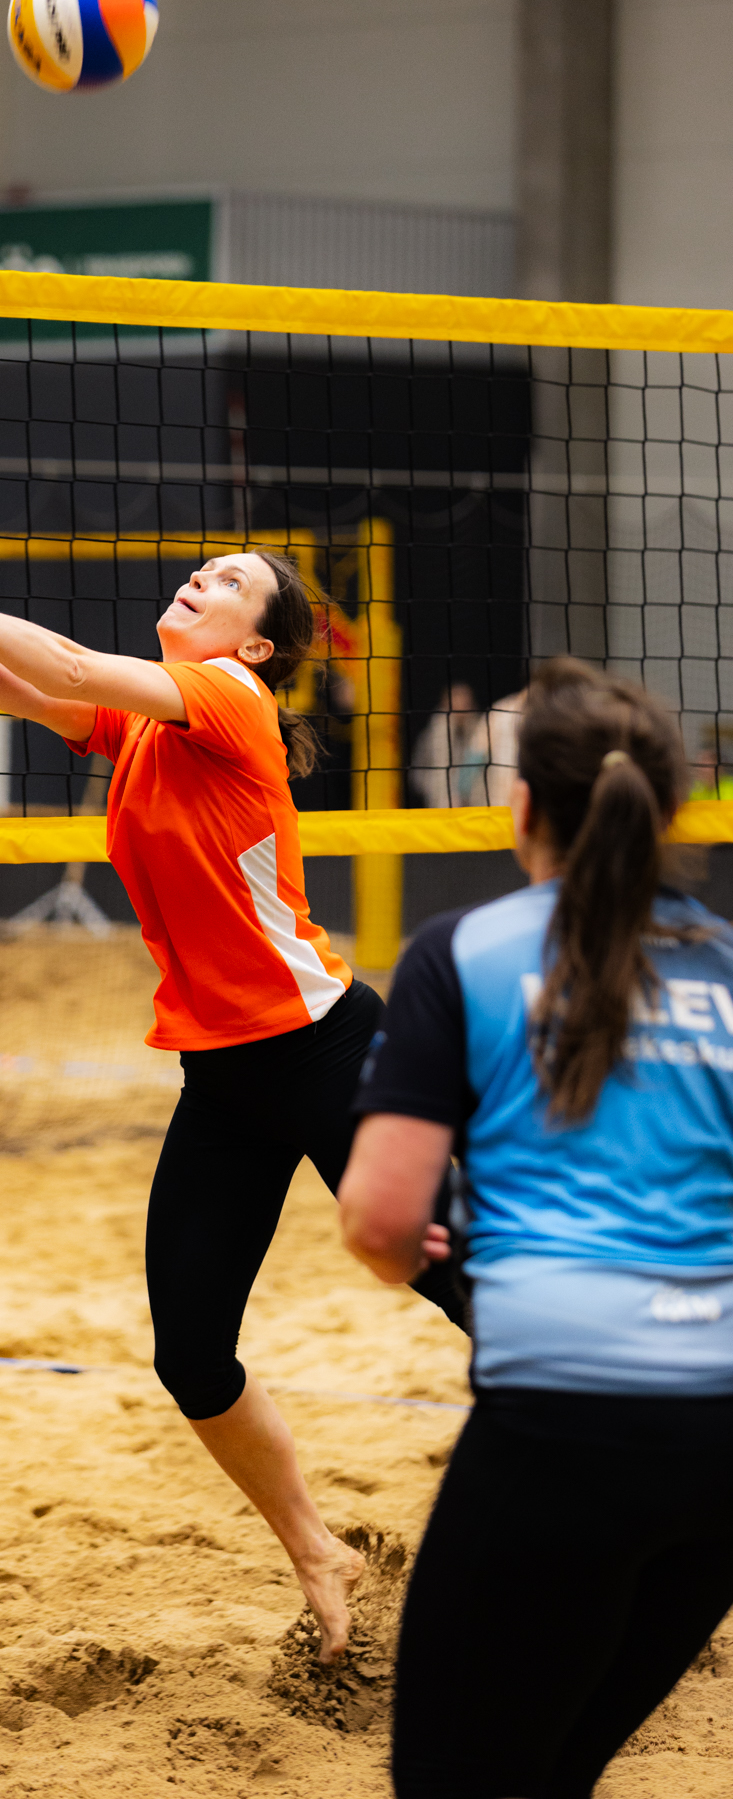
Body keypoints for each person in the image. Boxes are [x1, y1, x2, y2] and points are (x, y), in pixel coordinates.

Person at [0, 554, 463, 1662]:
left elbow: (71, 664)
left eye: (226, 581)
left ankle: (654, 1454)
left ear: (256, 643)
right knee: (192, 1356)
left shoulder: (231, 696)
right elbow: (39, 690)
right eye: (202, 568)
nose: (198, 578)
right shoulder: (148, 723)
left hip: (325, 1049)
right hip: (223, 1077)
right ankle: (320, 1552)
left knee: (475, 1289)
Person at [339, 655, 733, 1797]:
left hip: (566, 1414)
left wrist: (420, 1243)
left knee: (460, 1777)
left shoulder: (462, 950)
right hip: (722, 1435)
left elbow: (377, 1220)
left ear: (520, 807)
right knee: (556, 1770)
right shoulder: (725, 966)